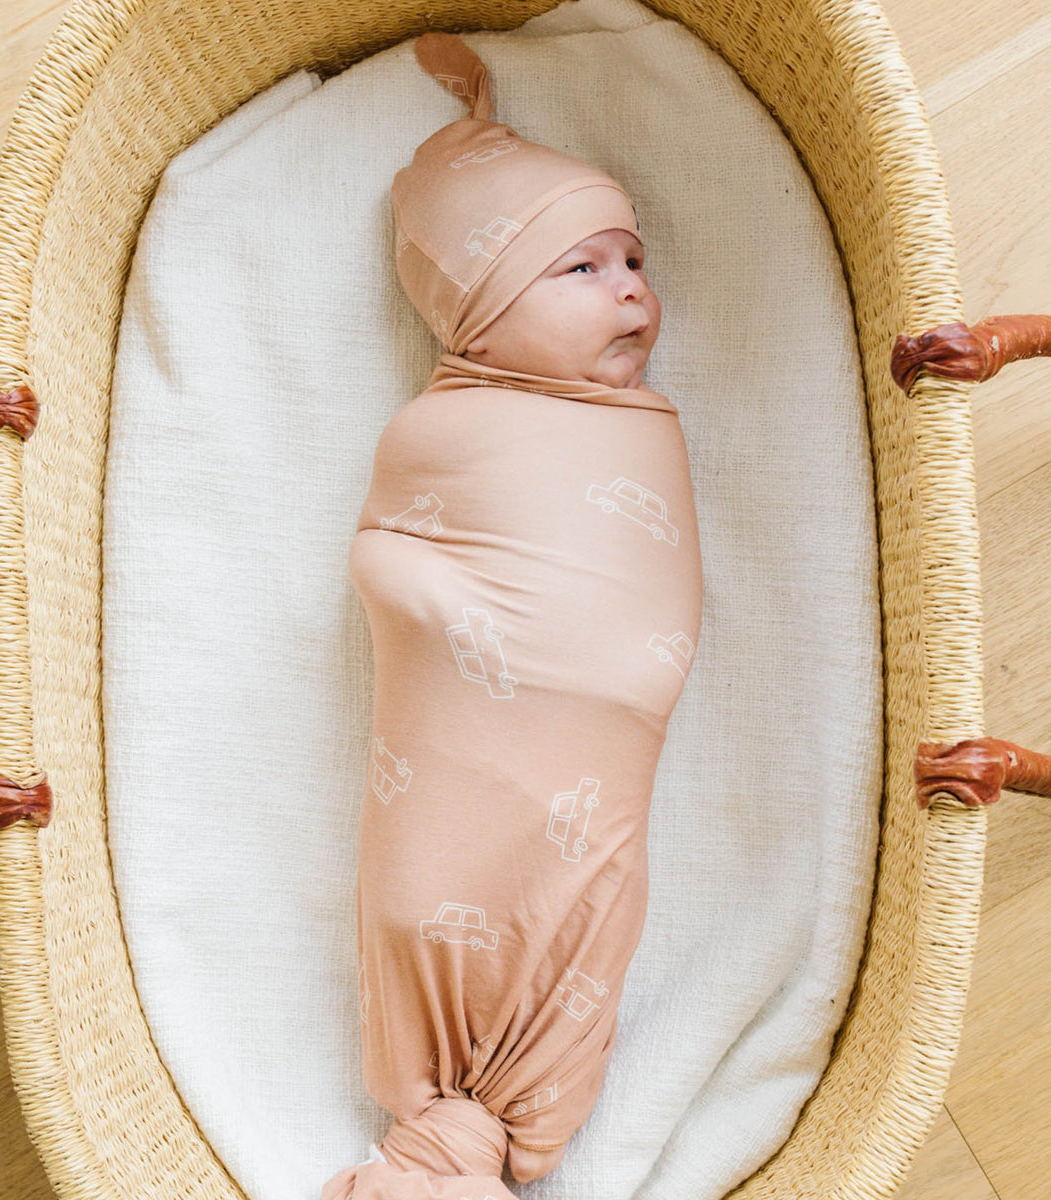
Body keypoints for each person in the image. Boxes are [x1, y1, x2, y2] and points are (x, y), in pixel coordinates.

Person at [322, 31, 703, 1200]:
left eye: (631, 260)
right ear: (475, 314)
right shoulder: (439, 433)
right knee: (437, 886)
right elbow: (394, 565)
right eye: (578, 270)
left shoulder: (639, 426)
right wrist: (425, 599)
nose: (631, 288)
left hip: (601, 736)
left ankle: (480, 1133)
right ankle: (449, 1128)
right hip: (467, 746)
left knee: (588, 887)